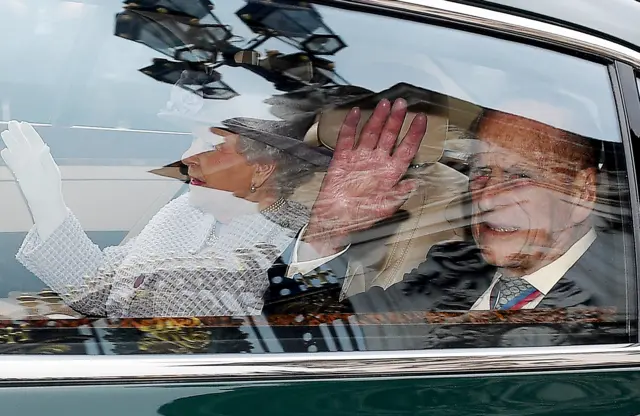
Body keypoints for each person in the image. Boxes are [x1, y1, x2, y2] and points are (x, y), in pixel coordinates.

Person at [288, 96, 627, 314]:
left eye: (520, 174)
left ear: (582, 193)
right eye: (481, 172)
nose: (488, 197)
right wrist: (327, 232)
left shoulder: (624, 301)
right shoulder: (453, 267)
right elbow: (315, 338)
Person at [1, 121, 314, 317]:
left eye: (211, 146)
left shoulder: (288, 237)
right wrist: (46, 202)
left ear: (262, 168)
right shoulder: (184, 213)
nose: (188, 157)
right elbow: (100, 290)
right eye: (192, 141)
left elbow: (181, 321)